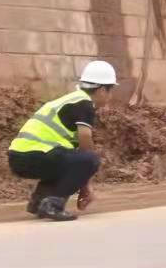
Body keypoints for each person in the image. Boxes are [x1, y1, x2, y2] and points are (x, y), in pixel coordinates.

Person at [7, 60, 117, 221]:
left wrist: (83, 181)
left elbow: (73, 162)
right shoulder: (84, 104)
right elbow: (85, 142)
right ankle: (53, 204)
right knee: (91, 159)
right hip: (35, 154)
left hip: (18, 158)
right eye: (110, 91)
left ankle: (40, 202)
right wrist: (86, 186)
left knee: (67, 160)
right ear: (101, 90)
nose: (110, 97)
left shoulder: (72, 100)